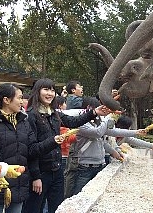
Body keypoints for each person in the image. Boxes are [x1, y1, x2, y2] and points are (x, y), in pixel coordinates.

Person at [21, 78, 108, 213]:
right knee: (34, 208)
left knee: (57, 208)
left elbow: (74, 121)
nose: (50, 93)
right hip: (40, 173)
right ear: (37, 92)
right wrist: (36, 176)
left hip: (57, 170)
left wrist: (94, 112)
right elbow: (31, 150)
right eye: (46, 89)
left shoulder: (54, 113)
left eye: (52, 90)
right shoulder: (31, 116)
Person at [64, 96, 148, 197]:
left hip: (100, 164)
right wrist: (108, 117)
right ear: (88, 108)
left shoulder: (98, 122)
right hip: (84, 167)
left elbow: (113, 131)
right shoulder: (81, 123)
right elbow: (97, 133)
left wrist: (136, 132)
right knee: (78, 196)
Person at [0, 84, 47, 213]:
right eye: (19, 97)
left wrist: (53, 141)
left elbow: (32, 151)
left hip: (19, 185)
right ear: (6, 100)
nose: (22, 101)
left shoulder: (24, 123)